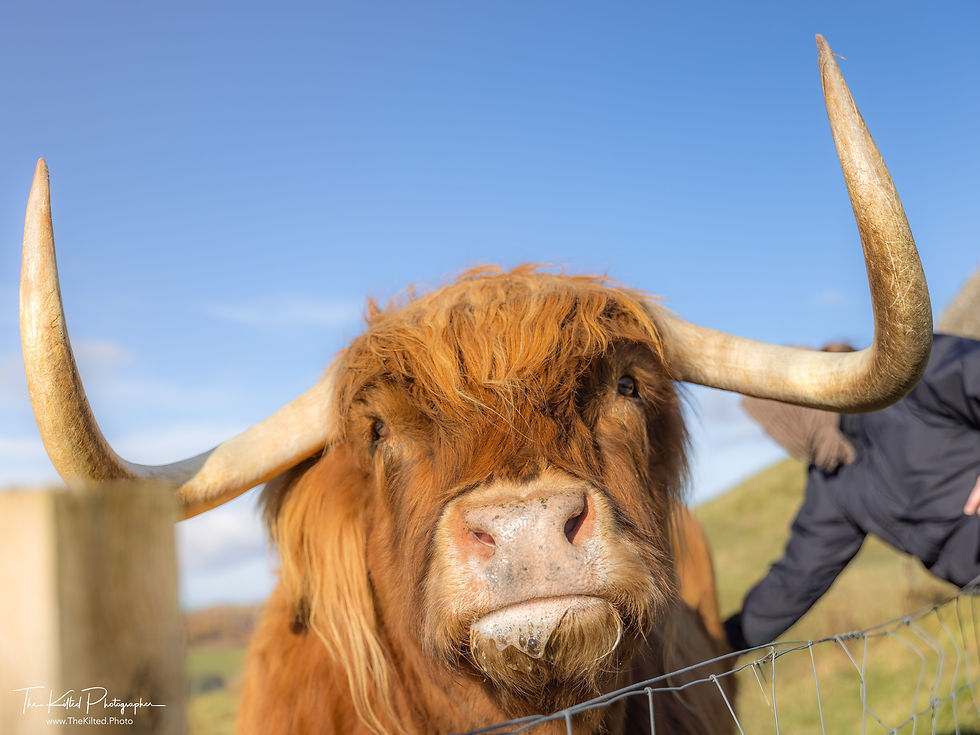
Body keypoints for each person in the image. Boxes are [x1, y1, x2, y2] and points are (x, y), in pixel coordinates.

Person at [724, 333, 980, 652]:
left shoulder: (904, 374)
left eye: (773, 426)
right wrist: (723, 640)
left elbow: (971, 368)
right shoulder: (833, 481)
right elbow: (796, 579)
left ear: (793, 410)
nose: (777, 438)